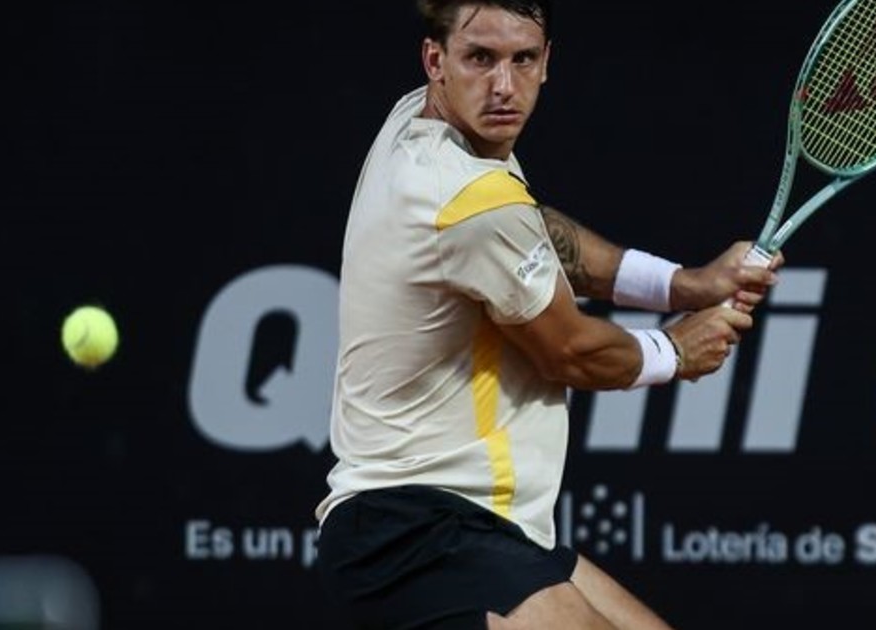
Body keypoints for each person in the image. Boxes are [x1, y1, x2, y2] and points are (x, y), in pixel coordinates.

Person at [313, 1, 784, 628]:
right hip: (415, 532)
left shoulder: (422, 124)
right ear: (435, 60)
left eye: (522, 59)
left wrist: (682, 284)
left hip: (472, 524)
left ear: (546, 62)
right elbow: (568, 351)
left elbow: (528, 230)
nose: (503, 86)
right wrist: (675, 351)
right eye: (480, 58)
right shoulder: (464, 196)